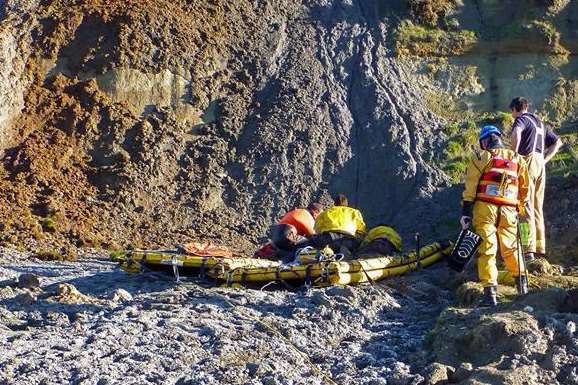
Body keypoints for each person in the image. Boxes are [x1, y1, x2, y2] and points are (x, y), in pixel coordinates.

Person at [460, 125, 530, 307]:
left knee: (487, 250)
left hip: (486, 209)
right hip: (509, 211)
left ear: (484, 141)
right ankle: (523, 288)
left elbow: (471, 187)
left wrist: (466, 213)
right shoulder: (517, 159)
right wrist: (520, 208)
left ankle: (490, 294)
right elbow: (524, 189)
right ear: (499, 137)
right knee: (512, 249)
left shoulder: (480, 157)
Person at [509, 97, 563, 261]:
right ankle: (540, 248)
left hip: (527, 162)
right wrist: (545, 159)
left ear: (515, 109)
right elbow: (558, 143)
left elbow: (516, 133)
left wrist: (513, 155)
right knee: (537, 207)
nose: (512, 115)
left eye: (511, 112)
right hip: (540, 164)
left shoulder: (521, 119)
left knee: (525, 206)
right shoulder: (540, 123)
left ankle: (528, 249)